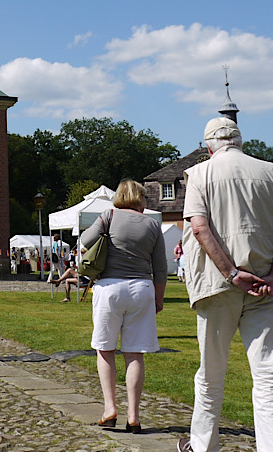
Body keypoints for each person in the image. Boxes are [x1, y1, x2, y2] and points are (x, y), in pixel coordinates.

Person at [176, 117, 273, 452]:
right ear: (240, 141)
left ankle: (203, 446)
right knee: (267, 376)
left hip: (219, 286)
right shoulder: (270, 171)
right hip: (264, 284)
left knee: (211, 373)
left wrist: (231, 272)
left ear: (208, 146)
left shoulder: (199, 174)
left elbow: (200, 228)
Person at [78, 179, 166, 433]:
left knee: (105, 349)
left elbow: (85, 240)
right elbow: (160, 267)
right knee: (134, 353)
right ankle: (134, 416)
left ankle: (110, 409)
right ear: (140, 198)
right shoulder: (152, 224)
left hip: (110, 288)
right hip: (141, 288)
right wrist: (158, 298)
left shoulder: (109, 215)